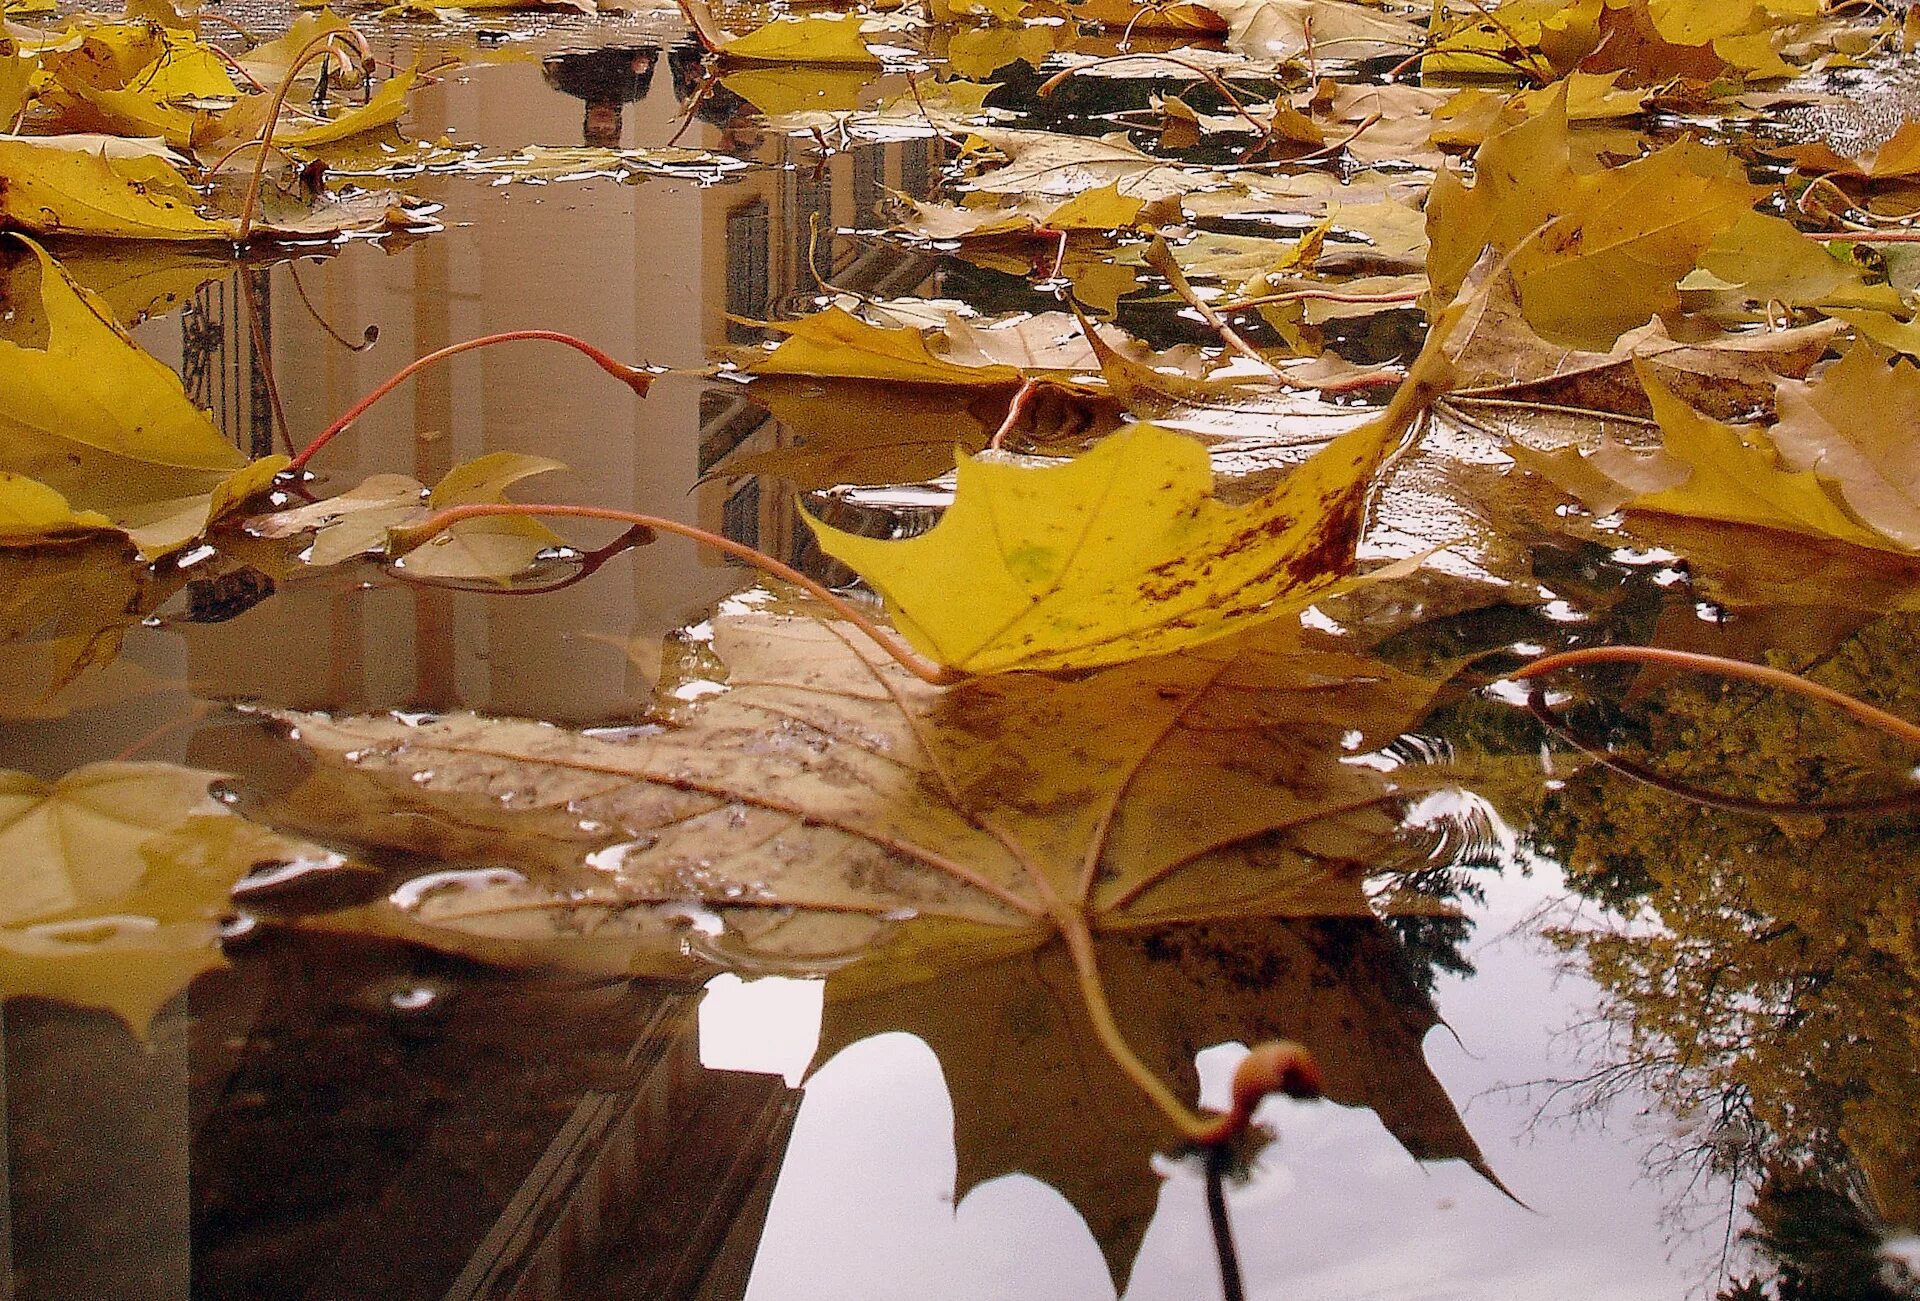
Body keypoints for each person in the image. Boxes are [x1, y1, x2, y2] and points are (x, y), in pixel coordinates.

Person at [540, 47, 659, 148]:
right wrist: (644, 59)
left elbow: (551, 54)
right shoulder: (636, 91)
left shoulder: (568, 84)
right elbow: (652, 50)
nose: (602, 123)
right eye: (607, 129)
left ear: (587, 123)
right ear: (617, 125)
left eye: (595, 128)